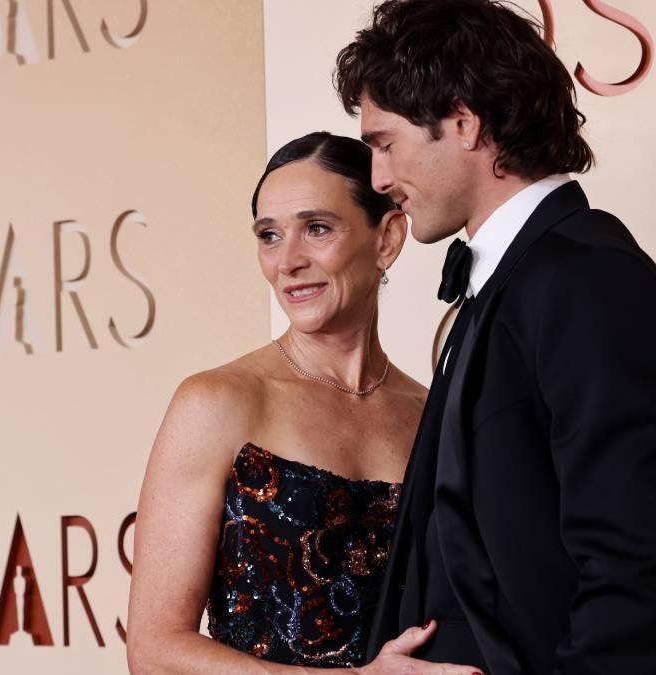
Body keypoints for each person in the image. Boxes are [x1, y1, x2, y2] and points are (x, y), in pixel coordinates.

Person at [334, 1, 656, 672]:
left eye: (385, 143)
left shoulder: (586, 278)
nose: (380, 180)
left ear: (462, 121)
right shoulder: (515, 279)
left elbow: (639, 571)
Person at [126, 132, 480, 674]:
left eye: (317, 229)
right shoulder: (218, 403)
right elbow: (154, 651)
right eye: (269, 236)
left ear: (386, 238)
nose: (287, 261)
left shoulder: (430, 415)